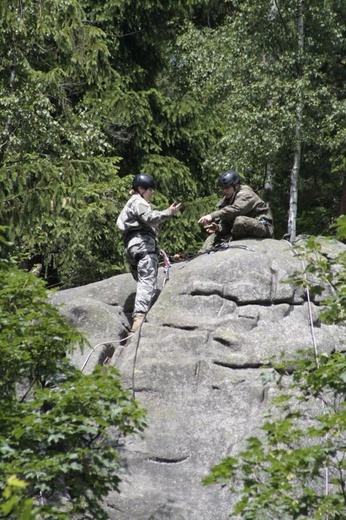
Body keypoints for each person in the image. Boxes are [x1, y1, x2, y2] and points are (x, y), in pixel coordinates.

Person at [117, 174, 181, 334]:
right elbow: (150, 217)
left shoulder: (129, 204)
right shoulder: (138, 201)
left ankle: (139, 312)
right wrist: (169, 211)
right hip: (143, 245)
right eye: (150, 189)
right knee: (147, 281)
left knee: (142, 279)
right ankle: (139, 320)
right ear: (140, 189)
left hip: (131, 247)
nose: (151, 193)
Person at [198, 170, 274, 252]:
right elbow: (225, 224)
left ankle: (231, 242)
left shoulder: (246, 194)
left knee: (240, 221)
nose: (224, 191)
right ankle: (201, 255)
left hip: (263, 227)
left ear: (236, 186)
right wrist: (218, 228)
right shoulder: (226, 200)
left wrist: (212, 216)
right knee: (212, 237)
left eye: (227, 188)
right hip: (238, 230)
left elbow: (235, 210)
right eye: (222, 188)